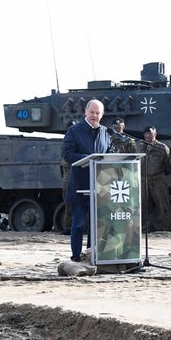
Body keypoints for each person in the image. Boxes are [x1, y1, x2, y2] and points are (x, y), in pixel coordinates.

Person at [62, 99, 114, 262]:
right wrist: (88, 158)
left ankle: (92, 254)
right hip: (80, 185)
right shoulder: (74, 131)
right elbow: (67, 154)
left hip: (100, 185)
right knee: (78, 224)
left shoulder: (106, 132)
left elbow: (110, 153)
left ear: (102, 114)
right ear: (85, 112)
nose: (94, 115)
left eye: (98, 113)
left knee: (96, 225)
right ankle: (76, 256)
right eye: (92, 112)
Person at [139, 125, 171, 231]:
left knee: (163, 203)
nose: (148, 136)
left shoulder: (162, 148)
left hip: (158, 179)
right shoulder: (141, 147)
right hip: (144, 179)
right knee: (145, 204)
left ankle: (167, 226)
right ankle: (146, 226)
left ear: (155, 134)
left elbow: (168, 165)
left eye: (150, 134)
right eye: (146, 134)